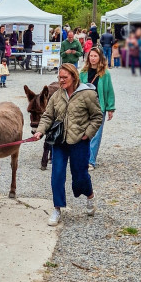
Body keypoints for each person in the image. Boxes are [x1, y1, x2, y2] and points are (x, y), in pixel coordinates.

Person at [32, 63, 102, 227]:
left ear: (74, 76)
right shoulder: (57, 95)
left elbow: (97, 117)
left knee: (80, 175)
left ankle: (90, 196)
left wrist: (88, 134)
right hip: (59, 141)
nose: (61, 80)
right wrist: (40, 131)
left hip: (79, 140)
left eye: (65, 77)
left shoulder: (87, 94)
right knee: (56, 174)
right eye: (59, 77)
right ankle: (57, 208)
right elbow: (48, 116)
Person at [80, 48, 115, 169]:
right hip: (85, 104)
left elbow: (109, 91)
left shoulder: (105, 73)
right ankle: (82, 157)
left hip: (99, 105)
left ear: (100, 58)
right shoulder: (83, 72)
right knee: (83, 131)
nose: (93, 58)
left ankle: (90, 161)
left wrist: (110, 108)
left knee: (96, 133)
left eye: (95, 56)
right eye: (91, 56)